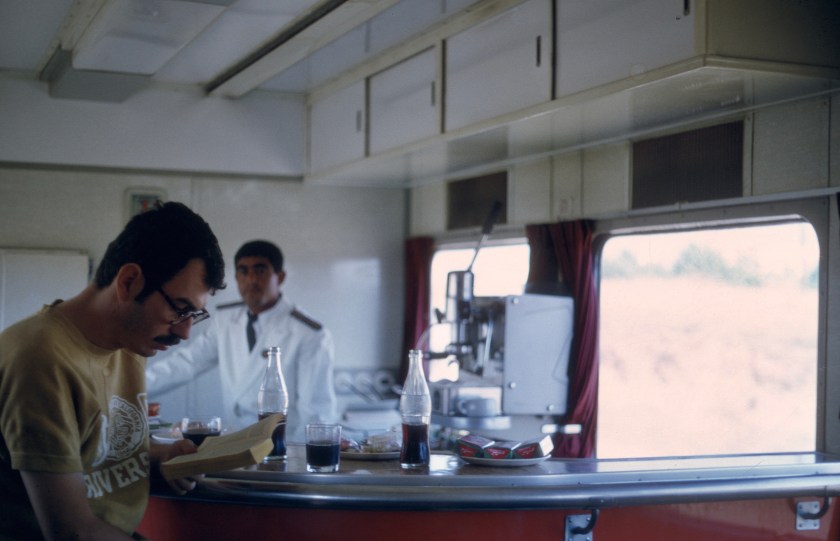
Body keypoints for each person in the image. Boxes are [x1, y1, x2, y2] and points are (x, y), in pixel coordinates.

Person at [0, 201, 227, 540]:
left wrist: (159, 454)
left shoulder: (130, 342)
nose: (185, 333)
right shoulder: (39, 357)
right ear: (129, 281)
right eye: (180, 309)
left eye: (194, 315)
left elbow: (92, 450)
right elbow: (71, 532)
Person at [146, 239, 337, 442]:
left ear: (280, 277)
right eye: (243, 271)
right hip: (236, 443)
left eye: (260, 270)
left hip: (283, 447)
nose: (251, 279)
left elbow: (316, 412)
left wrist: (299, 457)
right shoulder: (225, 320)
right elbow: (186, 363)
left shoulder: (309, 333)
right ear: (236, 277)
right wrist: (134, 385)